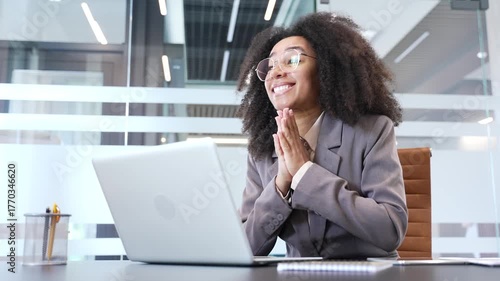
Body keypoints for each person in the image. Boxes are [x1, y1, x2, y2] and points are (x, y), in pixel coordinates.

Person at [236, 12, 408, 259]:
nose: (277, 72)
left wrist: (305, 173)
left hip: (367, 274)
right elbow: (246, 247)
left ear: (326, 68)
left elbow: (390, 229)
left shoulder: (372, 131)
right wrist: (281, 184)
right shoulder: (262, 151)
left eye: (292, 60)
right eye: (270, 65)